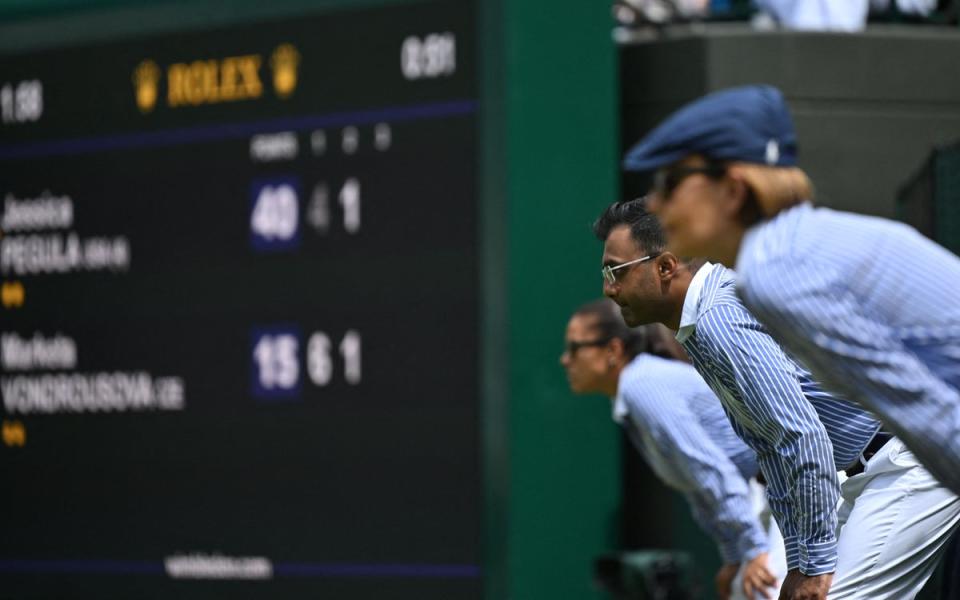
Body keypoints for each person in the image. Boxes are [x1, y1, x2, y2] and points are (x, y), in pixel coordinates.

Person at [592, 200, 960, 599]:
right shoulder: (704, 319)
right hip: (871, 470)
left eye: (615, 271)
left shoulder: (719, 318)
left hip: (912, 456)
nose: (608, 289)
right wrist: (799, 561)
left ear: (664, 267)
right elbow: (772, 449)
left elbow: (801, 437)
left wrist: (813, 566)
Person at [626, 84, 960, 497]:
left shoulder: (775, 274)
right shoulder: (782, 255)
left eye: (670, 182)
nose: (655, 204)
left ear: (733, 191)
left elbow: (924, 408)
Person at [560, 299, 786, 599]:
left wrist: (754, 550)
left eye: (575, 347)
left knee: (767, 592)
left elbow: (711, 470)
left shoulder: (642, 386)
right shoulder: (634, 391)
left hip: (800, 482)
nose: (566, 360)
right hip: (774, 489)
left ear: (613, 351)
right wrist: (735, 556)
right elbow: (698, 487)